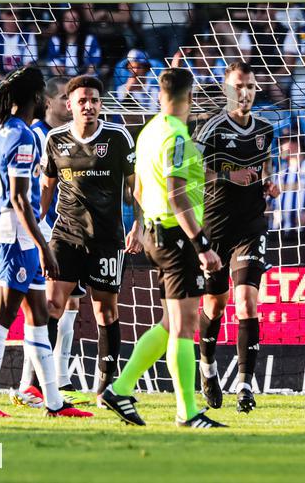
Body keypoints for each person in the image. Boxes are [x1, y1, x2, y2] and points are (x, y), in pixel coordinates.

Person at [99, 68, 227, 428]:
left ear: (160, 95)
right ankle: (188, 412)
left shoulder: (149, 131)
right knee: (185, 326)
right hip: (177, 238)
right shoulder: (178, 136)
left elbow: (137, 191)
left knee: (171, 324)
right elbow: (177, 194)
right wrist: (202, 246)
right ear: (189, 98)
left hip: (155, 233)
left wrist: (140, 225)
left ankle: (120, 388)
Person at [0, 67, 92, 419]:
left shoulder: (2, 132)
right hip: (18, 236)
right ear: (33, 99)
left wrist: (9, 220)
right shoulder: (24, 137)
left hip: (17, 230)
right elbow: (21, 200)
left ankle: (54, 404)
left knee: (39, 316)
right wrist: (41, 245)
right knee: (4, 315)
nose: (43, 98)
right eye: (40, 93)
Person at [40, 75, 142, 404]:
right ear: (69, 105)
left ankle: (104, 388)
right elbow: (46, 187)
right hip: (66, 235)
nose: (89, 106)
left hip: (106, 239)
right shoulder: (55, 139)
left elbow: (135, 187)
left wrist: (139, 224)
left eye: (94, 100)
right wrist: (35, 222)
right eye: (82, 100)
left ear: (101, 104)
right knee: (52, 306)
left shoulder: (117, 137)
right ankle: (45, 386)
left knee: (106, 312)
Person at [192, 62, 278, 414]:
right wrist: (230, 173)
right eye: (238, 86)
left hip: (251, 225)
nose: (245, 93)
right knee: (215, 304)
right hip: (215, 226)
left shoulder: (266, 129)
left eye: (251, 86)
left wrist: (269, 183)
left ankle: (245, 386)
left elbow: (265, 165)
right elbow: (191, 171)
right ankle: (207, 367)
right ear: (227, 90)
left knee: (247, 303)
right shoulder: (209, 128)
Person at [14, 75, 91, 408]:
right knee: (44, 308)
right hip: (44, 230)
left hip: (71, 229)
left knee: (70, 304)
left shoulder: (71, 136)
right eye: (62, 97)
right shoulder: (36, 136)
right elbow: (32, 184)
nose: (67, 102)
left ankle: (59, 378)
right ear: (49, 102)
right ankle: (27, 385)